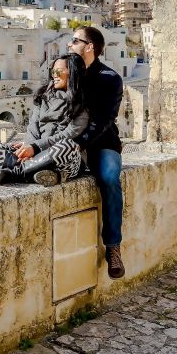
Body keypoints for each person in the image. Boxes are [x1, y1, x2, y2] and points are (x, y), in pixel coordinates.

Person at [68, 26, 126, 279]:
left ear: (89, 46)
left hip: (102, 142)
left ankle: (113, 247)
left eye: (75, 41)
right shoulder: (68, 73)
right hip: (70, 141)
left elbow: (103, 120)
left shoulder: (109, 78)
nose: (70, 45)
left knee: (110, 179)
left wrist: (79, 144)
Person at [0, 54, 89, 187]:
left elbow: (69, 133)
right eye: (52, 71)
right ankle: (36, 173)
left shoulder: (83, 103)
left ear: (73, 72)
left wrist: (35, 147)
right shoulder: (43, 97)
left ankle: (17, 172)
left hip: (63, 160)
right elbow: (33, 127)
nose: (54, 75)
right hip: (36, 153)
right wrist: (28, 147)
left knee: (68, 145)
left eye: (58, 71)